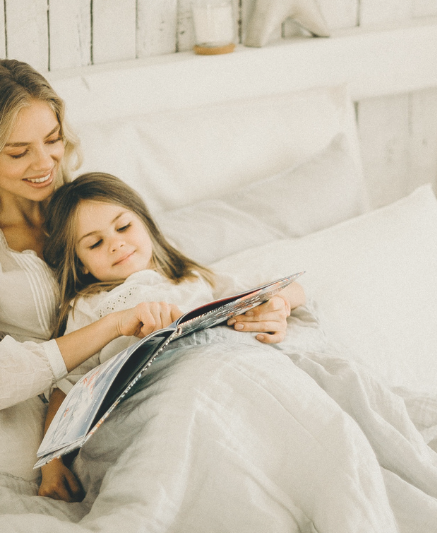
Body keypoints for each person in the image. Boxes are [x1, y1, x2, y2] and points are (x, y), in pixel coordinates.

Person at [0, 59, 301, 502]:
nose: (44, 163)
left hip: (183, 369)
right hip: (105, 408)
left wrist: (276, 305)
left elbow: (181, 277)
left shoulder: (94, 208)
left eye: (52, 139)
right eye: (18, 151)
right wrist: (114, 325)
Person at [38, 172, 307, 502]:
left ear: (146, 225)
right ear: (79, 264)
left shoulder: (190, 278)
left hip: (227, 372)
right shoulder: (90, 306)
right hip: (160, 401)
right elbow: (67, 389)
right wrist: (51, 465)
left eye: (123, 228)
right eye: (95, 243)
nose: (116, 243)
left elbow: (290, 288)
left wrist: (277, 305)